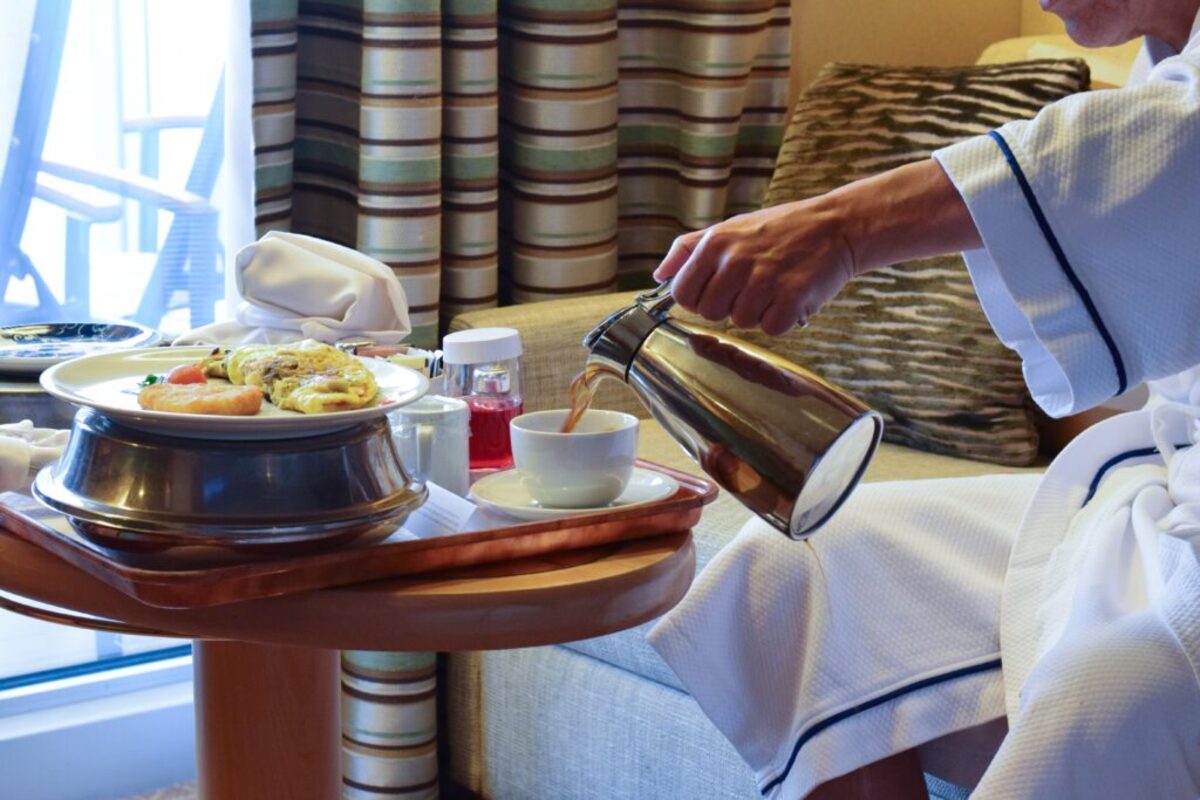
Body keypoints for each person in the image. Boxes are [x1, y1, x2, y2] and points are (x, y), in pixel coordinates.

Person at [643, 0, 1200, 797]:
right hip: (1159, 485)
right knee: (800, 569)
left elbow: (1164, 146)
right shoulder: (1168, 54)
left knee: (1112, 685)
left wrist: (838, 228)